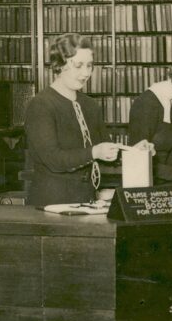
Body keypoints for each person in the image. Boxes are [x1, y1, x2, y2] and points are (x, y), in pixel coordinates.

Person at [24, 34, 121, 206]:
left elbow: (105, 148)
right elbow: (53, 160)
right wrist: (94, 152)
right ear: (59, 65)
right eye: (78, 66)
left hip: (87, 200)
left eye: (89, 66)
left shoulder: (90, 105)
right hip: (51, 203)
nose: (86, 73)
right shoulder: (41, 105)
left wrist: (134, 152)